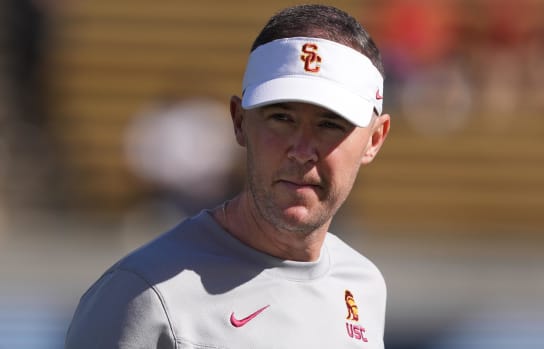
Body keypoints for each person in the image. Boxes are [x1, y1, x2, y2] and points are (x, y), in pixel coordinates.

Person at [65, 4, 391, 348]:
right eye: (281, 118)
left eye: (329, 124)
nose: (301, 149)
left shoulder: (363, 284)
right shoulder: (145, 293)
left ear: (374, 140)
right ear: (239, 122)